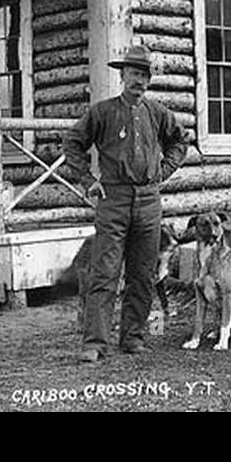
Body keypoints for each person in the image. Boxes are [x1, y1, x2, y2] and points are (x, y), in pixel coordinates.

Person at [61, 44, 188, 362]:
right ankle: (95, 343)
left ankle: (132, 337)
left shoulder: (157, 112)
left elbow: (180, 140)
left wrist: (163, 171)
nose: (139, 80)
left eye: (144, 74)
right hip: (113, 201)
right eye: (133, 73)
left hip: (148, 201)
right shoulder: (102, 112)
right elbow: (72, 143)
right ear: (122, 75)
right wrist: (89, 181)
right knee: (104, 273)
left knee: (142, 273)